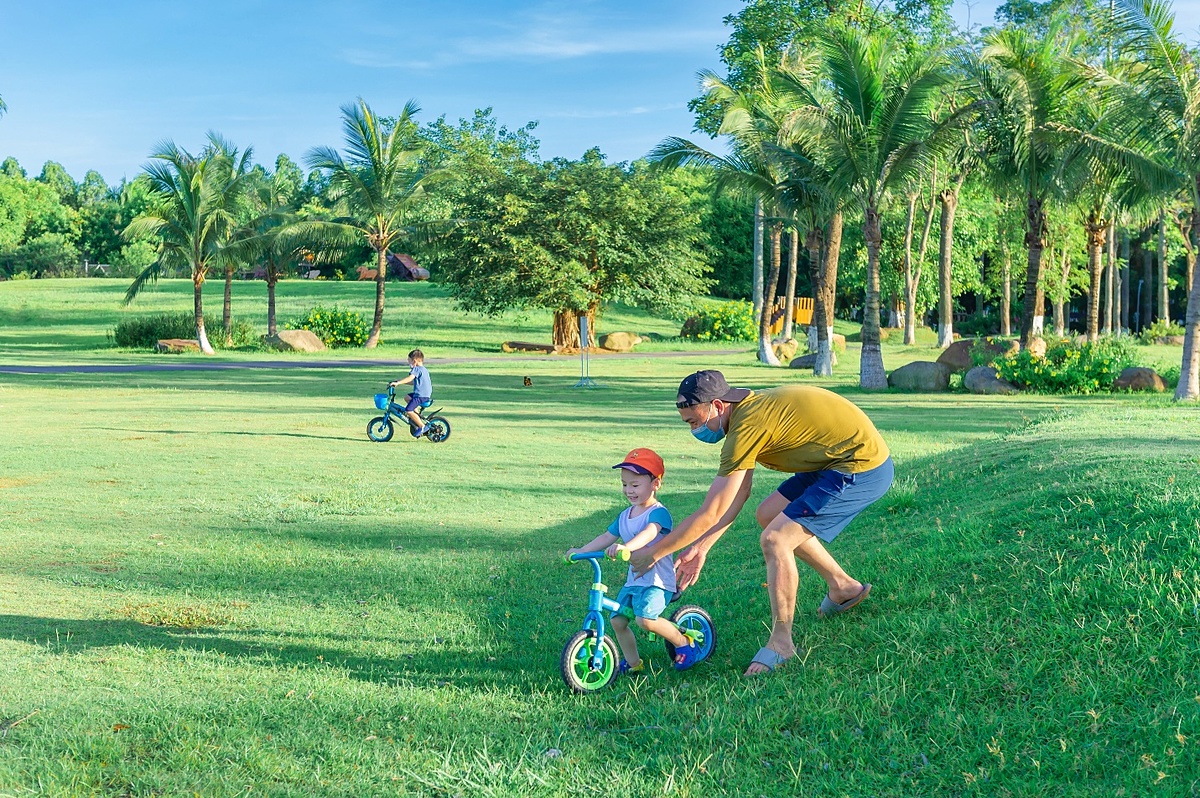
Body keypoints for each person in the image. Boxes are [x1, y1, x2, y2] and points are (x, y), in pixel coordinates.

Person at [629, 370, 893, 677]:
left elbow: (710, 511)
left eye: (694, 421)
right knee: (768, 515)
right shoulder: (745, 414)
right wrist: (701, 548)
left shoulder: (748, 425)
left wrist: (655, 552)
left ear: (717, 405)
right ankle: (844, 587)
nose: (695, 430)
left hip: (860, 465)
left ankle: (782, 643)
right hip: (831, 460)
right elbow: (739, 494)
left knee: (776, 539)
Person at [566, 448, 703, 673]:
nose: (629, 490)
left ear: (655, 484)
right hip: (634, 582)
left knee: (645, 620)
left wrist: (626, 547)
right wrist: (581, 550)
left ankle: (684, 643)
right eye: (624, 484)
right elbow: (606, 537)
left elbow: (650, 533)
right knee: (617, 621)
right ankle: (633, 663)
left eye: (635, 485)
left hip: (658, 582)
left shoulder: (658, 513)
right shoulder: (624, 516)